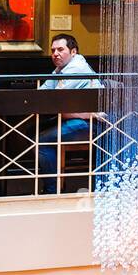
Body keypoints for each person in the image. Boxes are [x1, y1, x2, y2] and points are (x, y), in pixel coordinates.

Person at [37, 34, 103, 194]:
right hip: (78, 118)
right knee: (32, 132)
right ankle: (53, 188)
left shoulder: (76, 67)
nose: (55, 54)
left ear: (73, 52)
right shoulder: (61, 69)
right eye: (53, 50)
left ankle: (52, 191)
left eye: (60, 49)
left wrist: (73, 113)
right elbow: (42, 93)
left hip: (94, 124)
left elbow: (57, 100)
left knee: (42, 142)